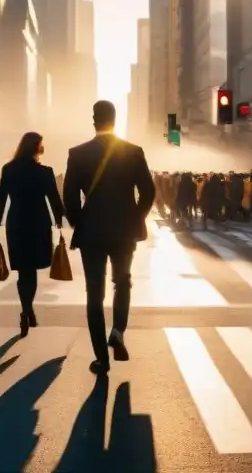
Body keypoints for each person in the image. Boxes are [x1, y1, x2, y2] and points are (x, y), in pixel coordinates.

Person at [63, 100, 156, 376]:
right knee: (123, 281)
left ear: (94, 120)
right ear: (115, 120)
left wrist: (80, 222)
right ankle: (117, 330)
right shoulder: (134, 152)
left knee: (95, 291)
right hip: (124, 231)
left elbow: (69, 197)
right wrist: (136, 217)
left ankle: (101, 360)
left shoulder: (78, 154)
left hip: (91, 231)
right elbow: (148, 192)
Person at [0, 132, 65, 337]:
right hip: (38, 222)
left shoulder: (9, 169)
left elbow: (1, 199)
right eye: (42, 145)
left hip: (16, 222)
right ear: (36, 147)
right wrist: (61, 220)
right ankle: (27, 309)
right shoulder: (45, 172)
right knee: (31, 270)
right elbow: (54, 199)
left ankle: (26, 309)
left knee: (23, 269)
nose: (43, 148)